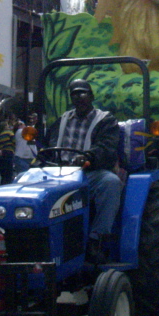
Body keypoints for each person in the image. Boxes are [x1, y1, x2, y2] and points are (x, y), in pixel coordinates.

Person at [45, 79, 122, 262]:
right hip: (59, 172)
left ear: (92, 96)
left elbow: (106, 148)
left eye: (83, 92)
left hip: (89, 172)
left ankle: (97, 239)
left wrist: (88, 157)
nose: (79, 97)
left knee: (111, 183)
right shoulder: (62, 120)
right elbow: (50, 144)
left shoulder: (106, 120)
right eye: (74, 93)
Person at [13, 111, 38, 176]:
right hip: (22, 159)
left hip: (31, 160)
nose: (22, 124)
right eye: (20, 124)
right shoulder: (19, 132)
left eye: (22, 123)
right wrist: (32, 122)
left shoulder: (28, 134)